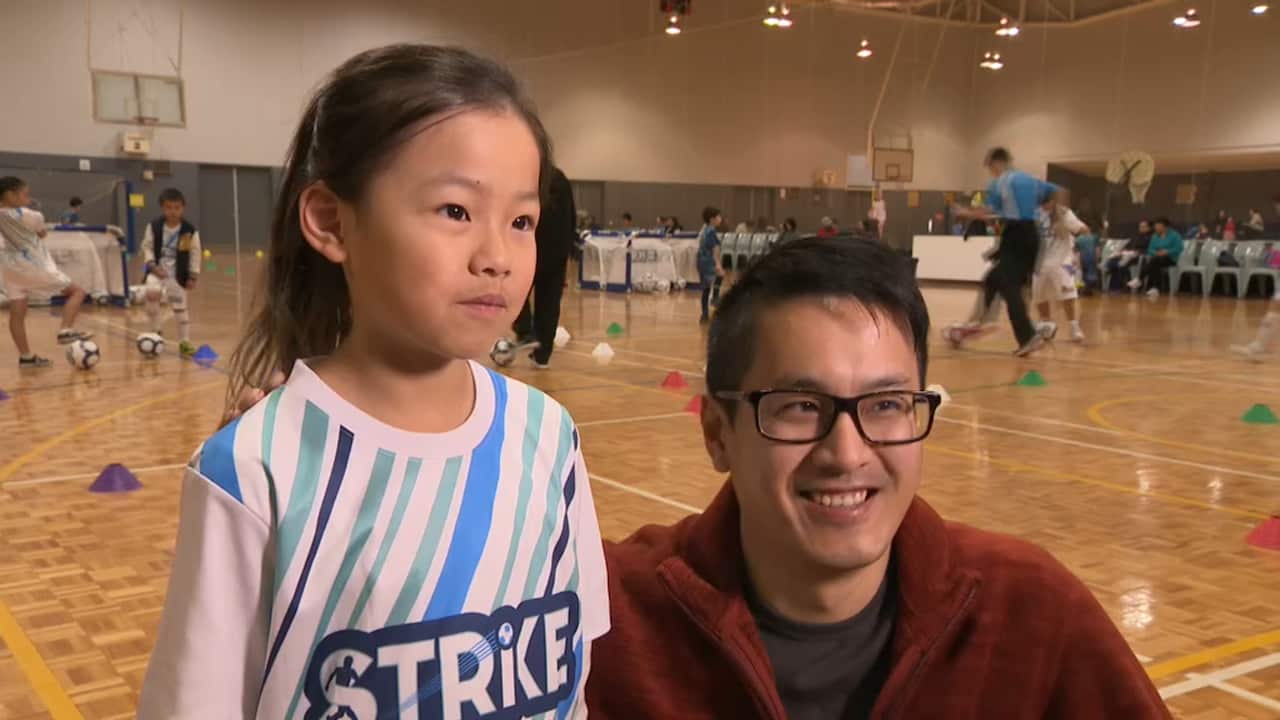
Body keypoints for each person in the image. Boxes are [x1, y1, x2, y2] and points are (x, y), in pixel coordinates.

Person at [138, 44, 609, 719]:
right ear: (332, 221)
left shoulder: (550, 438)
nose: (497, 258)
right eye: (455, 211)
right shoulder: (254, 466)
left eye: (522, 221)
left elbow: (574, 677)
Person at [587, 236, 1170, 719]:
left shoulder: (1032, 613)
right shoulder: (608, 618)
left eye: (887, 405)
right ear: (718, 432)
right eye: (799, 405)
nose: (847, 453)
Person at [951, 147, 1059, 356]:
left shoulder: (1000, 183)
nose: (991, 172)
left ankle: (1028, 335)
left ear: (995, 163)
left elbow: (989, 212)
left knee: (1008, 286)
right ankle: (977, 322)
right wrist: (1052, 213)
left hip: (1017, 234)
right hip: (1031, 236)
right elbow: (1056, 192)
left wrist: (966, 212)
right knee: (994, 278)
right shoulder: (1030, 180)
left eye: (990, 167)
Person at [0, 176, 92, 368]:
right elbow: (42, 233)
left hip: (9, 268)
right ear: (10, 195)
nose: (28, 198)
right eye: (25, 194)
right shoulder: (31, 215)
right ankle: (65, 329)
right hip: (33, 265)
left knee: (17, 312)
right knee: (78, 292)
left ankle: (26, 357)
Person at [513, 165, 576, 368]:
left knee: (515, 288)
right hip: (558, 250)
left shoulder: (529, 176)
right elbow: (572, 216)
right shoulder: (561, 178)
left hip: (533, 246)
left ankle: (525, 332)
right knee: (549, 302)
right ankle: (542, 355)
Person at [140, 188, 202, 355]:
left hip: (177, 274)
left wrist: (192, 276)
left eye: (177, 207)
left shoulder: (189, 230)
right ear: (162, 208)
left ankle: (185, 341)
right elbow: (147, 247)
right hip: (157, 271)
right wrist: (152, 265)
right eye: (168, 207)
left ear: (183, 208)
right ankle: (156, 331)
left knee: (180, 308)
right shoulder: (154, 226)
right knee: (152, 294)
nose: (173, 211)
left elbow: (195, 253)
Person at [1034, 191, 1089, 343]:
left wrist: (1067, 229)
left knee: (1068, 294)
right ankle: (1046, 324)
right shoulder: (1035, 215)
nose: (1045, 205)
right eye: (1042, 202)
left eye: (1047, 202)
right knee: (1040, 295)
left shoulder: (1065, 213)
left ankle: (1074, 327)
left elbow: (1084, 230)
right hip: (1040, 261)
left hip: (1063, 260)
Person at [1128, 217, 1182, 297]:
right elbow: (1150, 249)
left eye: (1158, 226)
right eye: (1156, 226)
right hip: (1157, 257)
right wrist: (1156, 253)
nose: (1156, 228)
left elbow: (1179, 248)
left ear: (1165, 227)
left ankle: (1139, 279)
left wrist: (1167, 252)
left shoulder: (1175, 235)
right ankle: (1155, 289)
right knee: (1155, 263)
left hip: (1171, 258)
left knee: (1154, 261)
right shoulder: (1155, 236)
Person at [697, 205, 725, 323]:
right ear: (712, 219)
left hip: (701, 260)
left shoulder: (704, 229)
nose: (721, 219)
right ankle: (715, 298)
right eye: (719, 216)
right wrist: (718, 264)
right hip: (708, 261)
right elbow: (714, 249)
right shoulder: (711, 231)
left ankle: (704, 315)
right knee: (719, 276)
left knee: (706, 288)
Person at [1106, 219, 1151, 292]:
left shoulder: (1151, 237)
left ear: (1149, 228)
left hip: (1140, 257)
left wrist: (1136, 252)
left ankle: (1122, 286)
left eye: (1144, 227)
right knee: (1113, 261)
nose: (1141, 228)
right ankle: (1114, 286)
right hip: (1129, 254)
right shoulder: (1136, 236)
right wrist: (1123, 252)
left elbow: (1148, 250)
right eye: (1140, 226)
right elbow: (1130, 246)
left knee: (1122, 264)